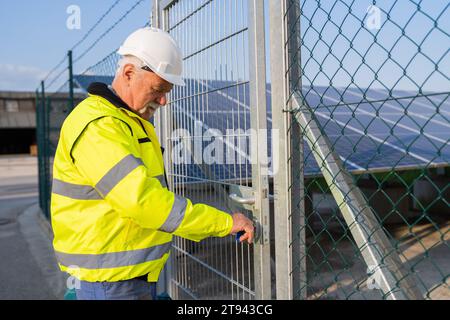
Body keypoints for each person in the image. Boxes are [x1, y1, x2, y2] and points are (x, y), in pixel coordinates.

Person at [50, 27, 254, 300]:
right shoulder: (100, 126)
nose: (163, 100)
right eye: (158, 89)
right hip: (111, 285)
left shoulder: (128, 120)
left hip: (125, 279)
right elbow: (143, 201)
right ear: (129, 73)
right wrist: (223, 222)